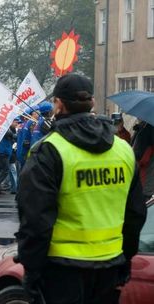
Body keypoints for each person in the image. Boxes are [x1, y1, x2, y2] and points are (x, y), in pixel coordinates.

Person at [16, 74, 146, 304]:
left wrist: (32, 271)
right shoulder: (123, 149)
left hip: (62, 270)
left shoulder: (49, 150)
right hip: (110, 265)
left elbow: (35, 220)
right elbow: (135, 213)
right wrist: (126, 260)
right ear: (92, 103)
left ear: (58, 103)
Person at [132, 120, 154, 201]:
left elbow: (140, 158)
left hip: (144, 183)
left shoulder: (147, 129)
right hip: (147, 184)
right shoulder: (144, 127)